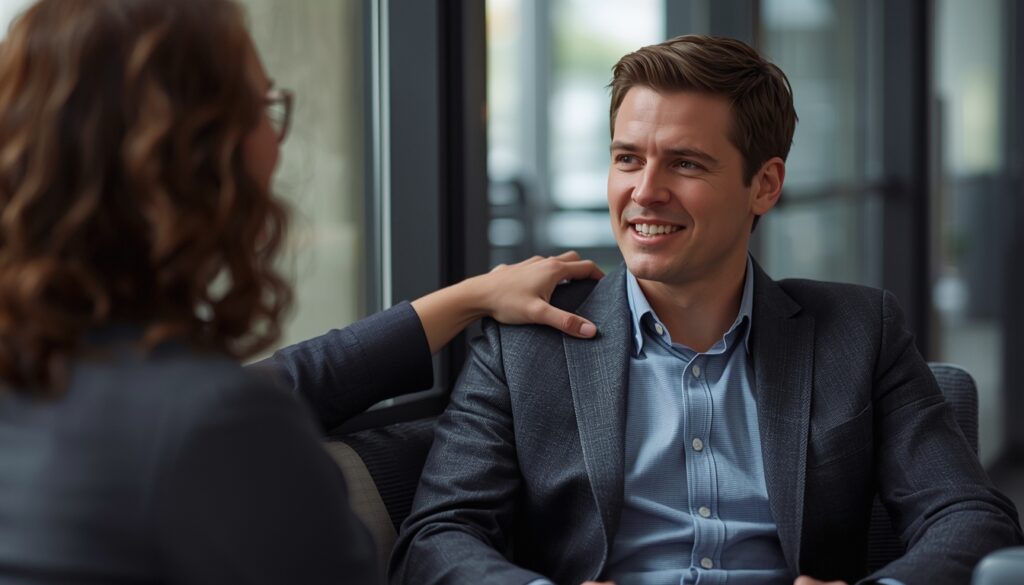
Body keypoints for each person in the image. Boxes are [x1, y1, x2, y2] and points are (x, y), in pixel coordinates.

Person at [0, 1, 601, 584]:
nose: (278, 141)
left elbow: (279, 383)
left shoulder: (41, 369)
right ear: (195, 156)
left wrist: (474, 296)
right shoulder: (214, 427)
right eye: (262, 107)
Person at [390, 35, 1023, 585]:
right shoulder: (525, 342)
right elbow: (437, 538)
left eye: (685, 163)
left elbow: (970, 517)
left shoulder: (860, 332)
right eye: (627, 158)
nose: (645, 192)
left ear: (764, 185)